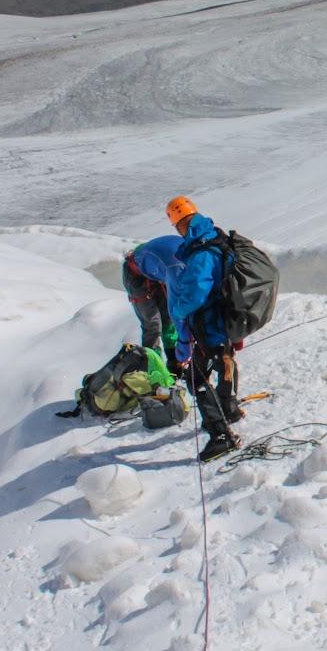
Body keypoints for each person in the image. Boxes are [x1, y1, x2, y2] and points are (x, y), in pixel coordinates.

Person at [165, 195, 242, 461]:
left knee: (196, 378)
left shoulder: (201, 252)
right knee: (225, 361)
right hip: (224, 318)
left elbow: (195, 293)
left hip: (210, 322)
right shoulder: (215, 238)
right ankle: (228, 409)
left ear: (179, 225)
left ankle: (220, 435)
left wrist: (176, 310)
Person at [122, 235, 184, 371]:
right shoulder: (176, 267)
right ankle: (154, 369)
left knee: (168, 319)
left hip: (152, 270)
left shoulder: (185, 257)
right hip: (136, 276)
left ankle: (173, 361)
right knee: (153, 325)